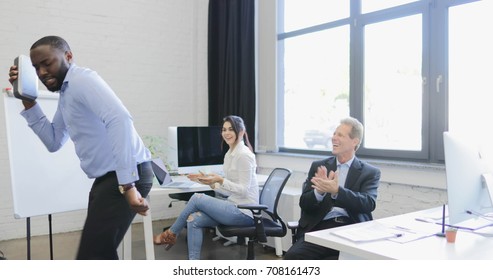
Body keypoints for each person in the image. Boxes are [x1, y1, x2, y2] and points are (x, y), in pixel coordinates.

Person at [7, 36, 154, 260]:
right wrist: (28, 101)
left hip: (125, 176)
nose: (42, 72)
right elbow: (54, 141)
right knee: (96, 254)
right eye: (36, 68)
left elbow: (120, 119)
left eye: (47, 63)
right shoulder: (67, 94)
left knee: (93, 255)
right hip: (108, 179)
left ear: (68, 56)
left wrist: (128, 185)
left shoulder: (82, 80)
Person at [153, 115, 259, 260]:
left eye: (231, 129)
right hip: (232, 204)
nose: (226, 133)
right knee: (193, 219)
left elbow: (243, 190)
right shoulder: (229, 154)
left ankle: (170, 234)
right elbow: (229, 189)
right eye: (224, 130)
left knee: (197, 198)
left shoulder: (244, 155)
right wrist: (209, 183)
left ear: (240, 132)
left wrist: (221, 180)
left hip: (244, 212)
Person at [284, 117, 381, 260]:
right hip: (320, 226)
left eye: (340, 135)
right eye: (334, 134)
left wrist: (337, 191)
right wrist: (319, 191)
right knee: (293, 257)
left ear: (355, 141)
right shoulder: (319, 166)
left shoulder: (370, 172)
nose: (334, 138)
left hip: (352, 228)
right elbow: (304, 203)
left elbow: (368, 204)